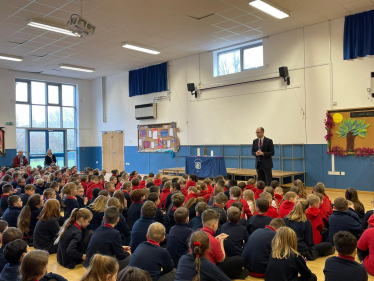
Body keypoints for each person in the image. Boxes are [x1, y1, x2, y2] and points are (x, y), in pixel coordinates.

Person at [201, 209, 248, 279]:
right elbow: (221, 259)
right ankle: (236, 275)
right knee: (239, 260)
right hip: (212, 270)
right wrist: (221, 241)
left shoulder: (197, 234)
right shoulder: (214, 241)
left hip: (201, 267)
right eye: (217, 223)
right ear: (214, 224)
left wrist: (216, 238)